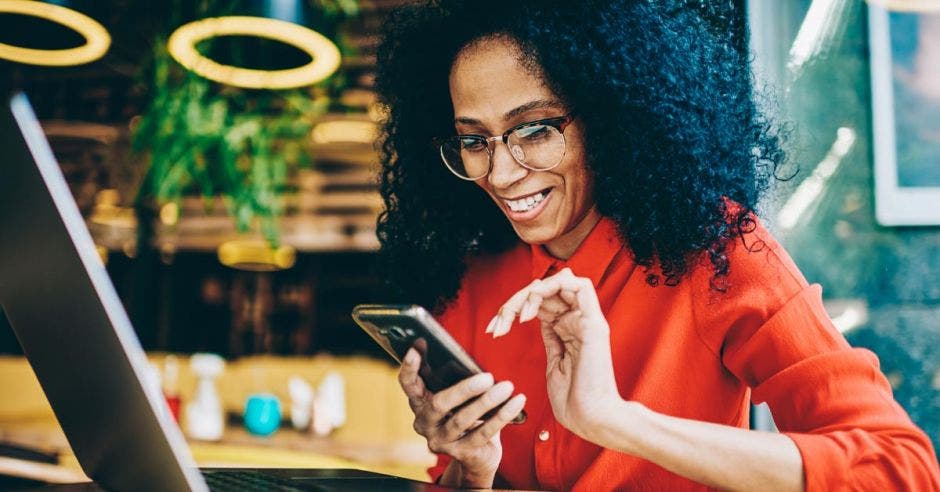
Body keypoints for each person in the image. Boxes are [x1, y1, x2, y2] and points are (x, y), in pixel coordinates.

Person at [373, 1, 940, 490]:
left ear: (611, 116)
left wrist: (618, 422)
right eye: (475, 140)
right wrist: (470, 470)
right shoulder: (472, 274)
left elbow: (900, 470)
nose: (499, 173)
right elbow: (455, 478)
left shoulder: (713, 249)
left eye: (534, 129)